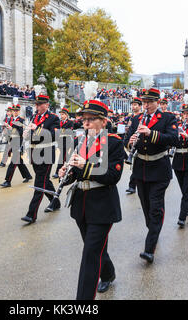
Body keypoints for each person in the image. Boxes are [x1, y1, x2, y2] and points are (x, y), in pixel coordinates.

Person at [58, 99, 125, 300]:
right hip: (82, 204)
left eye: (91, 119)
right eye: (84, 119)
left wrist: (84, 165)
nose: (85, 123)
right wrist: (66, 173)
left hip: (103, 206)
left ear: (103, 121)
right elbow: (76, 174)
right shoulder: (81, 141)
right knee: (93, 247)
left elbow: (113, 176)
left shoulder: (114, 142)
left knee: (89, 255)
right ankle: (108, 273)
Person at [127, 88, 178, 263]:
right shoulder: (136, 119)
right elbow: (127, 139)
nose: (146, 105)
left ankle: (149, 248)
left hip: (159, 168)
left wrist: (151, 133)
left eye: (149, 102)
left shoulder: (167, 118)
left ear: (157, 101)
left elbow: (173, 139)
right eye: (144, 102)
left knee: (156, 208)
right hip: (141, 168)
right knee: (146, 206)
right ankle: (154, 231)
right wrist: (130, 142)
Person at [21, 95, 60, 224]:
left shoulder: (53, 118)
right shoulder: (34, 117)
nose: (36, 107)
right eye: (36, 104)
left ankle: (31, 214)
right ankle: (55, 201)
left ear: (47, 105)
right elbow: (32, 136)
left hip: (46, 154)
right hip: (34, 153)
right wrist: (26, 134)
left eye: (39, 104)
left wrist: (36, 129)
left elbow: (53, 135)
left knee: (39, 184)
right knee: (44, 181)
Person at [0, 105, 32, 188]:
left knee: (13, 162)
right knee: (19, 162)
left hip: (18, 142)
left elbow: (20, 132)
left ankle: (8, 181)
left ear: (19, 111)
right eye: (13, 111)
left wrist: (11, 128)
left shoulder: (20, 120)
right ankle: (28, 175)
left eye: (16, 111)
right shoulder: (12, 120)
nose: (15, 112)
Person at [123, 97, 143, 194]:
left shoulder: (142, 117)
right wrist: (127, 143)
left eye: (135, 105)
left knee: (137, 167)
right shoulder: (131, 117)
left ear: (140, 106)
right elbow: (129, 131)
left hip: (141, 143)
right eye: (132, 104)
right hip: (132, 141)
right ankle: (132, 185)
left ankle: (133, 185)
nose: (133, 106)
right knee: (135, 166)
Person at [53, 107, 75, 179]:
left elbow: (69, 131)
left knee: (61, 157)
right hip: (60, 142)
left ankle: (57, 172)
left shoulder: (70, 122)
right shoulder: (59, 122)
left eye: (63, 114)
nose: (61, 116)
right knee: (67, 157)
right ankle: (71, 168)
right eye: (61, 114)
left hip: (67, 142)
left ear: (66, 115)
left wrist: (60, 132)